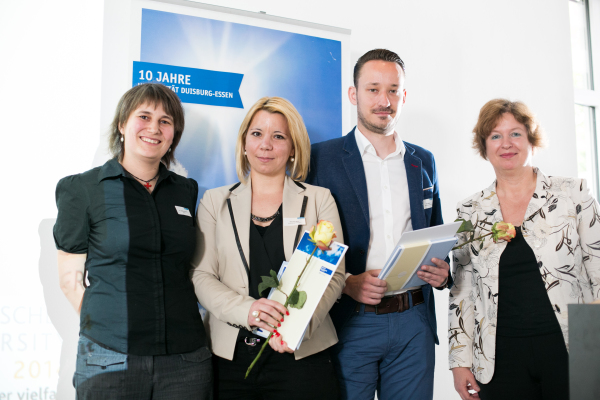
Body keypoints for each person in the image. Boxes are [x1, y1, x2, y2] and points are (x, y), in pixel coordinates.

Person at [306, 49, 451, 400]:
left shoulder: (423, 160)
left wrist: (444, 272)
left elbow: (436, 230)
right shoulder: (320, 158)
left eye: (393, 90)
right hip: (349, 319)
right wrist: (346, 283)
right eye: (373, 89)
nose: (384, 101)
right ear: (353, 94)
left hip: (414, 320)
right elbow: (302, 242)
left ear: (404, 96)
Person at [54, 83, 212, 399]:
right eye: (144, 117)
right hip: (110, 358)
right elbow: (71, 281)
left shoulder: (186, 191)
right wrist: (108, 328)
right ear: (122, 124)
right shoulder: (83, 189)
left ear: (174, 135)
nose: (154, 128)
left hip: (185, 360)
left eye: (165, 121)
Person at [192, 97, 345, 399]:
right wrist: (247, 311)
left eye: (278, 136)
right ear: (244, 143)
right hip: (231, 358)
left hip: (301, 355)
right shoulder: (214, 202)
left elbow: (334, 276)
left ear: (293, 148)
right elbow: (201, 276)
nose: (266, 145)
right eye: (257, 134)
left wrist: (295, 328)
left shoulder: (319, 200)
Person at [449, 99, 600, 400]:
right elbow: (463, 291)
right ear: (484, 146)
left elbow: (597, 265)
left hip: (573, 346)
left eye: (515, 133)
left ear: (531, 139)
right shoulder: (470, 211)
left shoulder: (573, 193)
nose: (506, 144)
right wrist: (459, 361)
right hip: (499, 357)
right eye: (495, 136)